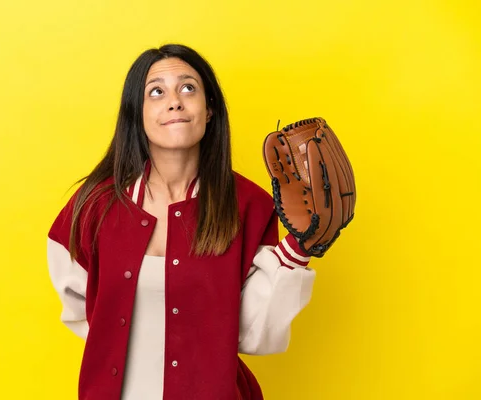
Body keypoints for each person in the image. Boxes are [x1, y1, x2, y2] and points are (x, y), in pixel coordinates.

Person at [47, 43, 316, 400]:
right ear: (137, 114)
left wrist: (299, 250)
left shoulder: (251, 206)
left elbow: (253, 332)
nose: (174, 101)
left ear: (209, 111)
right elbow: (81, 308)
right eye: (156, 91)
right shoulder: (95, 205)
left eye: (188, 87)